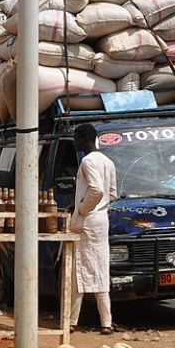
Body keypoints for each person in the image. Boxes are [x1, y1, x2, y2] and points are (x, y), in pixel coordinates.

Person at [70, 122, 118, 335]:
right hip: (102, 218)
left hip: (88, 219)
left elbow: (96, 190)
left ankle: (71, 321)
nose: (74, 142)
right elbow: (112, 193)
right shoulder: (108, 161)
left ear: (84, 139)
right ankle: (106, 321)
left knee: (78, 270)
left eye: (76, 138)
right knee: (100, 268)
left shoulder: (88, 161)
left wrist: (82, 208)